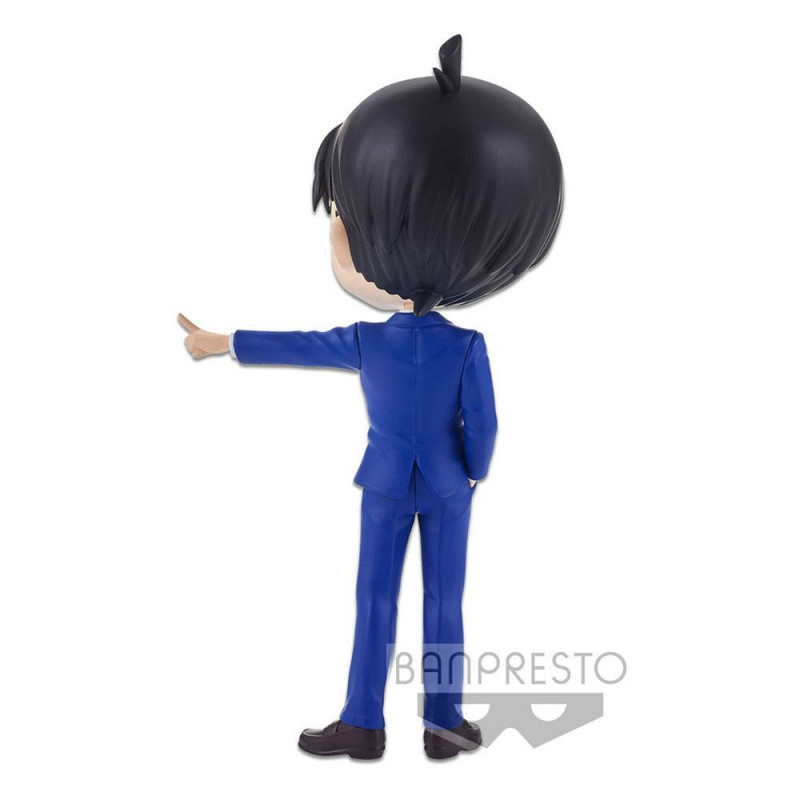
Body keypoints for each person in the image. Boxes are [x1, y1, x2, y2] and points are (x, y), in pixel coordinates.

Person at [179, 35, 562, 759]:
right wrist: (473, 471)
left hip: (385, 483)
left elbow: (300, 344)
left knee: (373, 601)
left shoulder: (367, 340)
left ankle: (363, 721)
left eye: (344, 220)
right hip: (446, 484)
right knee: (445, 603)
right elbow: (484, 422)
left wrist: (224, 341)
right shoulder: (466, 346)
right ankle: (443, 723)